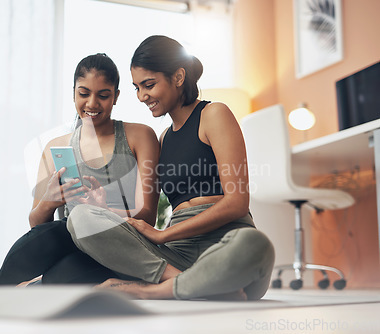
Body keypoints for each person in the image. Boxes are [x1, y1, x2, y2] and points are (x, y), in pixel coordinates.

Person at [67, 36, 275, 300]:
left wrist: (164, 234)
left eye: (149, 85)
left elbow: (237, 202)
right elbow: (144, 219)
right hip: (175, 258)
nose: (143, 96)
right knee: (82, 218)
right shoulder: (163, 138)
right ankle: (191, 284)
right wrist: (105, 211)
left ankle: (151, 291)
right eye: (137, 88)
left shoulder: (214, 115)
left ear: (178, 77)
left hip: (227, 246)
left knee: (254, 245)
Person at [0, 53, 160, 289]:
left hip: (122, 244)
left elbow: (148, 215)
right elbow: (37, 227)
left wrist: (104, 212)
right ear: (73, 93)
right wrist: (49, 202)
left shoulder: (139, 136)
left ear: (116, 97)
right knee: (55, 233)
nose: (92, 104)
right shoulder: (56, 148)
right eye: (83, 93)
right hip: (72, 243)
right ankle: (5, 285)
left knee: (63, 276)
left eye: (103, 95)